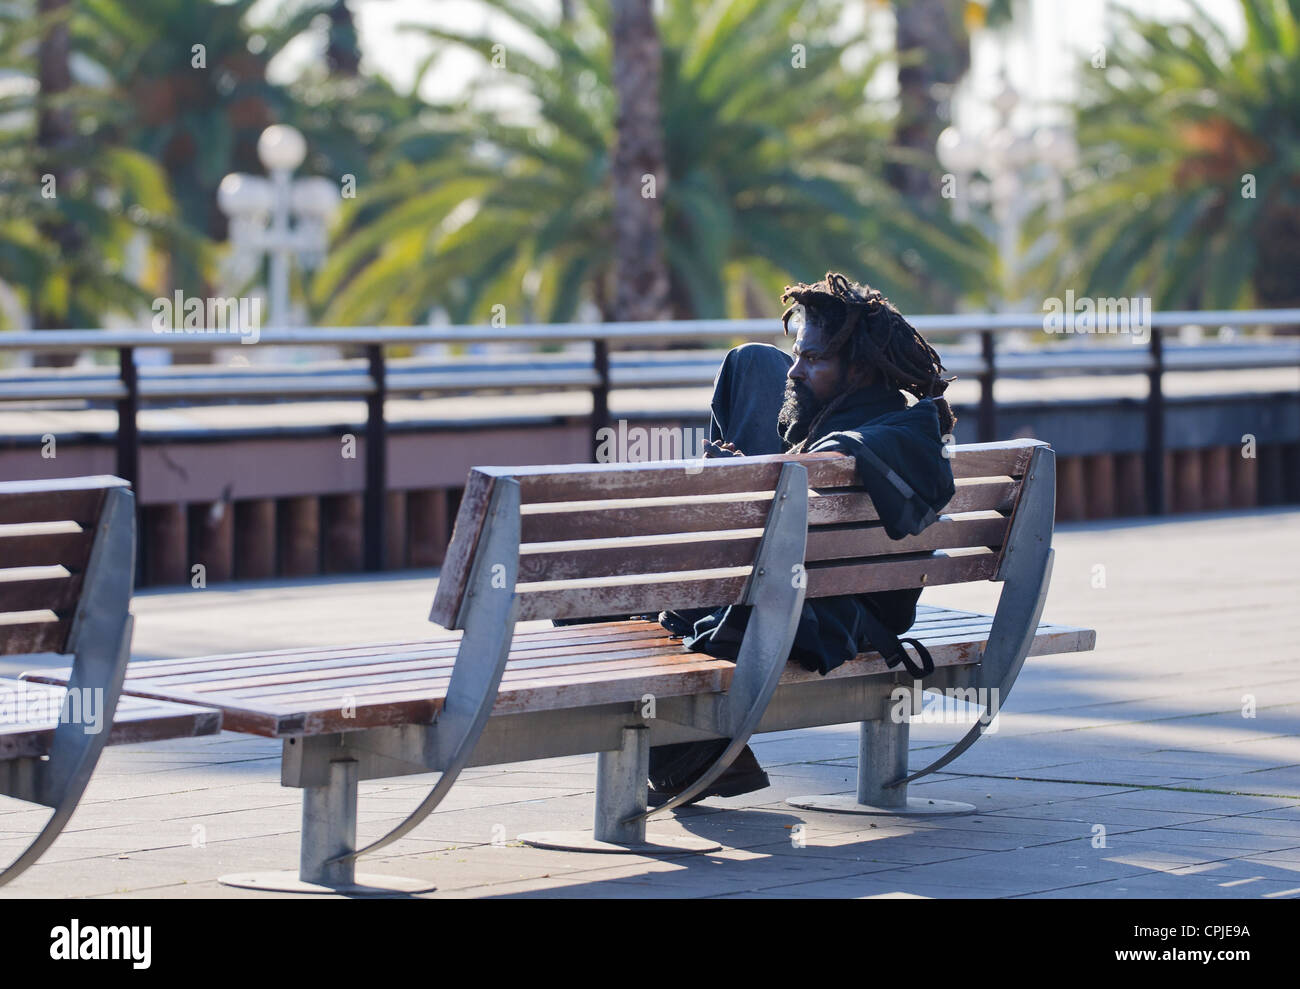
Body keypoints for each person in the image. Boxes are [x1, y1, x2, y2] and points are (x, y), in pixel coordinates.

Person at [646, 272, 960, 806]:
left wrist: (736, 485)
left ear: (857, 369)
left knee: (604, 606)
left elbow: (795, 518)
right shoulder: (893, 427)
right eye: (797, 353)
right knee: (750, 362)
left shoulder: (859, 445)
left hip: (824, 614)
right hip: (833, 600)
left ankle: (691, 752)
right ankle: (695, 753)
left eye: (812, 359)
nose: (795, 368)